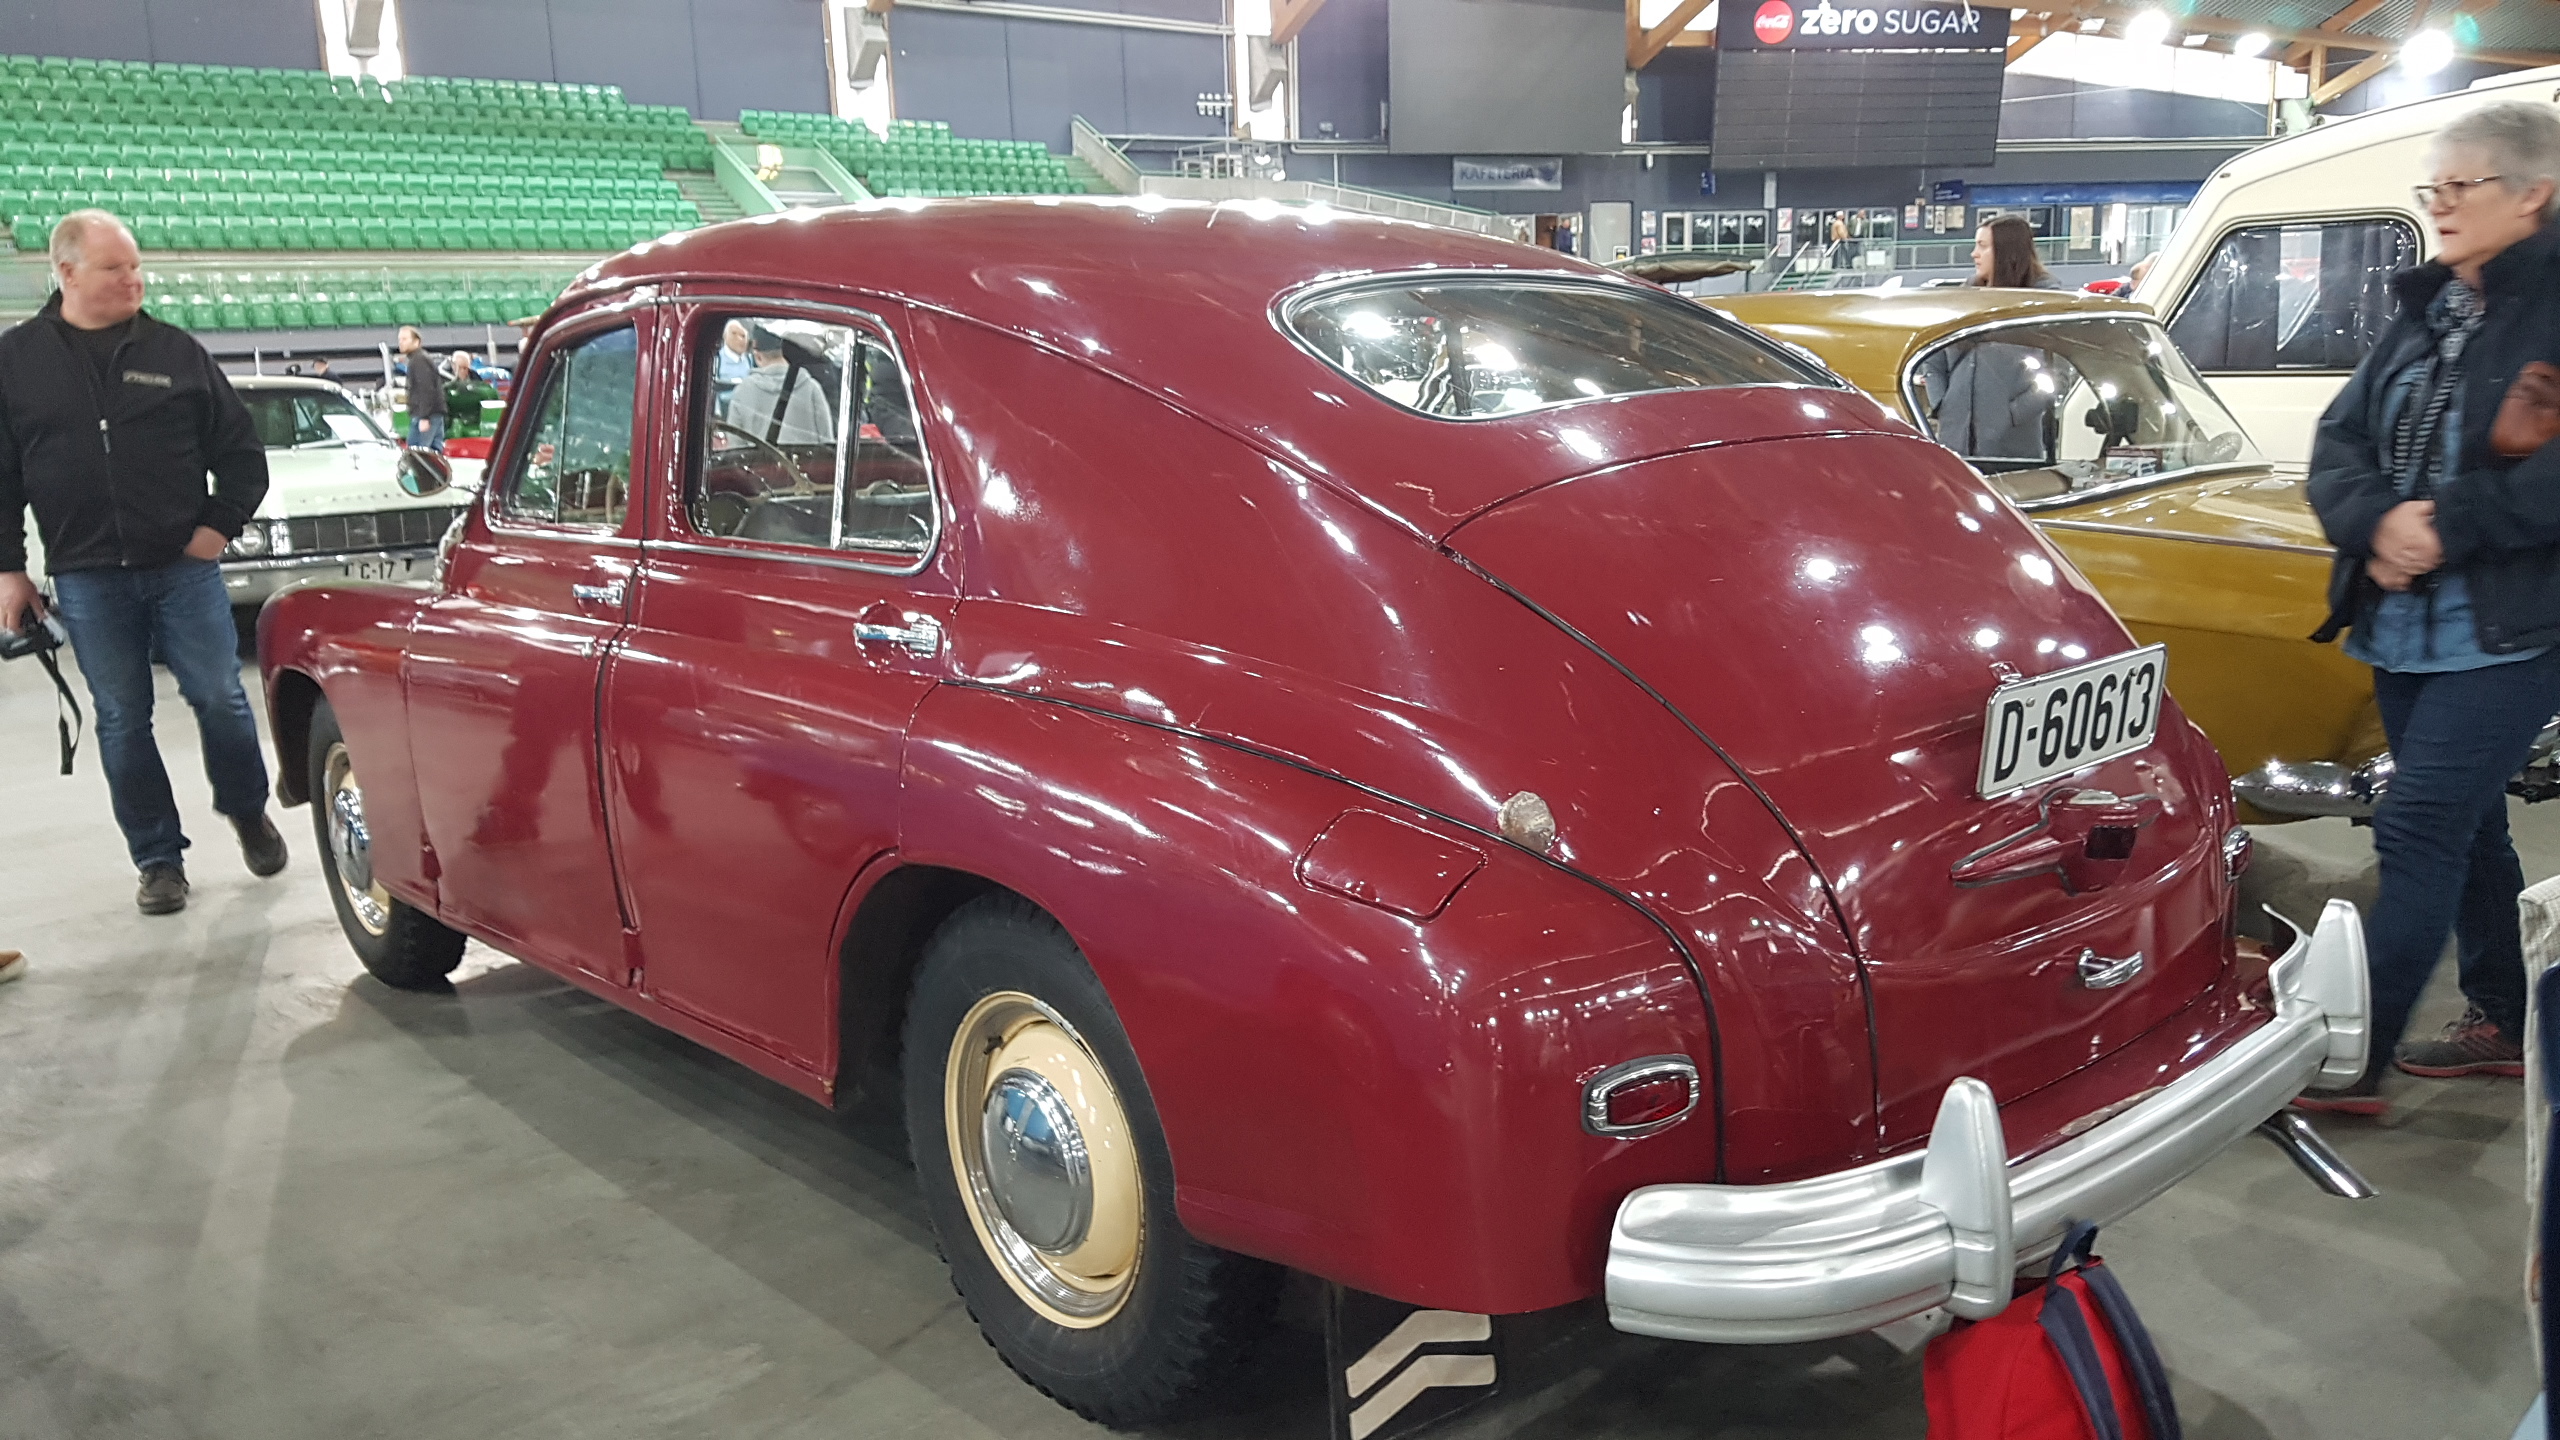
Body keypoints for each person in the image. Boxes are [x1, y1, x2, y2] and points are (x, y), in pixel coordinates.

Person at [2296, 101, 2560, 1115]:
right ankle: (2502, 1014)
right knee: (2468, 825)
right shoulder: (2431, 308)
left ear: (2532, 194)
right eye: (2432, 187)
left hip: (2510, 635)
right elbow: (2339, 439)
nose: (2440, 205)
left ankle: (2348, 1061)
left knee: (2413, 828)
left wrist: (2443, 526)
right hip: (2402, 631)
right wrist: (2376, 523)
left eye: (2462, 185)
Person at [0, 210, 287, 916]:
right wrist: (9, 569)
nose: (134, 279)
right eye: (115, 268)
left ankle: (247, 808)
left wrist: (216, 529)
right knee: (123, 718)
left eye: (136, 265)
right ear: (66, 272)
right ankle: (158, 859)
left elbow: (242, 456)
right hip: (87, 576)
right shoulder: (17, 361)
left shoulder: (176, 351)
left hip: (182, 568)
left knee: (220, 697)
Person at [1913, 216, 2071, 460]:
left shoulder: (2046, 302)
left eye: (1983, 246)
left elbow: (2058, 374)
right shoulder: (1964, 298)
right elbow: (1934, 355)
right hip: (1955, 445)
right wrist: (1941, 403)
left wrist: (2014, 413)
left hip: (2013, 451)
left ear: (2008, 252)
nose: (1974, 254)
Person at [724, 325, 835, 447]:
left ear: (758, 356)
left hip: (760, 460)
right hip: (804, 460)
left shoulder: (741, 392)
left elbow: (735, 447)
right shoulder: (812, 388)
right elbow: (827, 443)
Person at [398, 324, 445, 451]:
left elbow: (426, 389)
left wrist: (424, 417)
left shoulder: (418, 360)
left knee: (417, 454)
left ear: (416, 341)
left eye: (404, 339)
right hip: (434, 414)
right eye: (400, 339)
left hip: (425, 415)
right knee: (434, 453)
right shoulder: (420, 358)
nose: (401, 342)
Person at [711, 319, 753, 416]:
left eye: (743, 336)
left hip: (747, 410)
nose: (740, 339)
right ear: (725, 336)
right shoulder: (717, 358)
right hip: (724, 411)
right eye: (734, 334)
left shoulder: (751, 360)